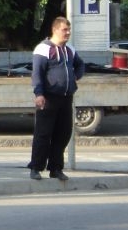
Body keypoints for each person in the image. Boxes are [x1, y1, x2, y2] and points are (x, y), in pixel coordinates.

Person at [27, 16, 85, 182]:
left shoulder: (70, 50)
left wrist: (75, 77)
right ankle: (36, 167)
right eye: (64, 30)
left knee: (63, 133)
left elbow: (81, 65)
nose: (67, 33)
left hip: (66, 97)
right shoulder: (43, 49)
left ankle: (56, 168)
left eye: (69, 30)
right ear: (55, 30)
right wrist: (39, 94)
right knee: (43, 134)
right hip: (48, 97)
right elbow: (37, 73)